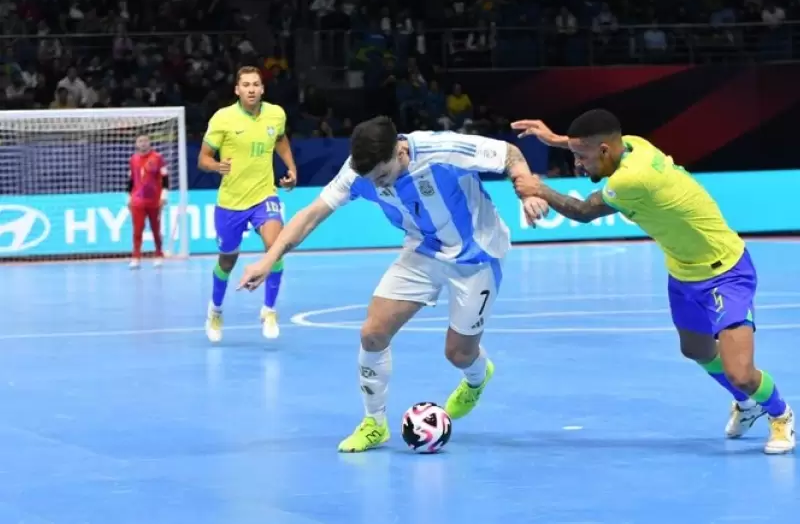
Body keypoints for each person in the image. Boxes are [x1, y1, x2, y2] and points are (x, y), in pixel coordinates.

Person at [237, 117, 549, 452]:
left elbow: (510, 154)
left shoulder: (441, 149)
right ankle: (374, 424)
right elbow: (312, 214)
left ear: (400, 152)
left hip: (477, 253)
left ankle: (477, 376)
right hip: (423, 249)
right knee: (372, 332)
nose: (378, 184)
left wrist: (528, 191)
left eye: (383, 176)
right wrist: (269, 259)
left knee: (458, 353)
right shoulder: (358, 171)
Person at [511, 110, 795, 455]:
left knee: (741, 372)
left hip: (725, 273)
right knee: (697, 350)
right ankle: (746, 404)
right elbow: (601, 146)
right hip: (683, 272)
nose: (579, 165)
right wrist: (555, 139)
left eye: (581, 157)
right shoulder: (634, 144)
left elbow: (583, 211)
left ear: (604, 150)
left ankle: (780, 414)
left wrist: (538, 187)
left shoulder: (631, 180)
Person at [198, 66, 298, 342]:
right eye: (246, 85)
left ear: (262, 88)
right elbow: (203, 158)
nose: (251, 89)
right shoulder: (223, 118)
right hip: (230, 202)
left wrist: (291, 168)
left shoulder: (275, 114)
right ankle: (215, 311)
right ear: (237, 90)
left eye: (256, 84)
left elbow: (280, 139)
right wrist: (217, 165)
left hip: (264, 195)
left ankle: (269, 310)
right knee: (227, 261)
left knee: (275, 248)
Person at [127, 134, 167, 269]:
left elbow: (165, 177)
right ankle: (136, 257)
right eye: (140, 141)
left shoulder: (158, 158)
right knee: (137, 230)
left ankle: (158, 254)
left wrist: (164, 195)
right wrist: (129, 197)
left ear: (149, 143)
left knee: (156, 229)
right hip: (137, 201)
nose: (143, 143)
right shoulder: (133, 159)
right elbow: (131, 180)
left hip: (154, 200)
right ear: (136, 144)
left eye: (145, 141)